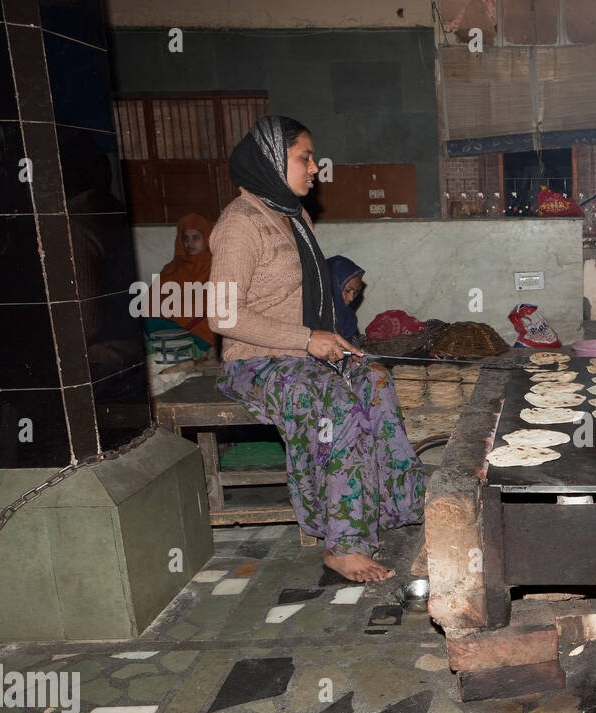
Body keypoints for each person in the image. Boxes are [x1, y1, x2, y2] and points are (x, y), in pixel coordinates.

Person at [209, 115, 426, 583]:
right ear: (272, 158)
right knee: (335, 404)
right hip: (255, 362)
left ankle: (395, 509)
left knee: (375, 378)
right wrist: (309, 340)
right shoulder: (241, 224)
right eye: (304, 158)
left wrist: (329, 341)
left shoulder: (293, 216)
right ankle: (342, 544)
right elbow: (222, 316)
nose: (314, 168)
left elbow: (306, 300)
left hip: (300, 353)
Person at [145, 213, 219, 360]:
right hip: (174, 325)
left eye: (196, 238)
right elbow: (151, 300)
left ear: (207, 238)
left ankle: (193, 349)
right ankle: (188, 349)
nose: (189, 243)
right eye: (185, 238)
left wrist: (178, 306)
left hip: (201, 329)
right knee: (145, 318)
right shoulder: (172, 268)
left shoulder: (217, 266)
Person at [327, 255, 366, 343]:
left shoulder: (348, 318)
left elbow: (353, 343)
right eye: (348, 291)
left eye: (355, 292)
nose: (351, 298)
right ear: (332, 286)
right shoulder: (311, 317)